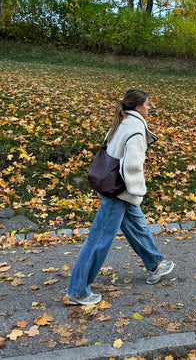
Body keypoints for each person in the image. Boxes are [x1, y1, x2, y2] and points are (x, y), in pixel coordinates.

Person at [65, 89, 174, 305]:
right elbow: (132, 164)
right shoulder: (135, 127)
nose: (149, 108)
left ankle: (155, 264)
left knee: (137, 226)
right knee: (99, 238)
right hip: (119, 191)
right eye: (147, 104)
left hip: (113, 185)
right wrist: (136, 190)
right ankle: (77, 290)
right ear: (138, 107)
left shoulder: (123, 121)